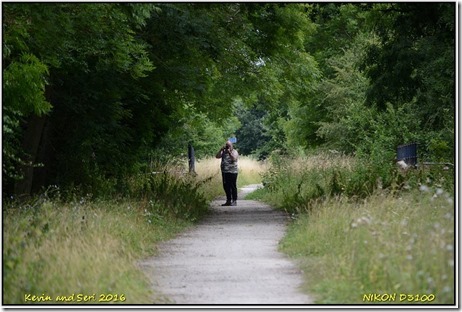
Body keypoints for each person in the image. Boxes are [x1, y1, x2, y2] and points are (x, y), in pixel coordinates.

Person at [215, 141, 239, 206]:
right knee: (226, 186)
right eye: (226, 145)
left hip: (232, 171)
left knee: (232, 186)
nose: (227, 147)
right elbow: (217, 156)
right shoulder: (223, 152)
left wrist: (229, 152)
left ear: (232, 146)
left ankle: (234, 200)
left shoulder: (234, 152)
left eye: (229, 145)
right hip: (225, 172)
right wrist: (221, 150)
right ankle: (228, 200)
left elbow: (234, 159)